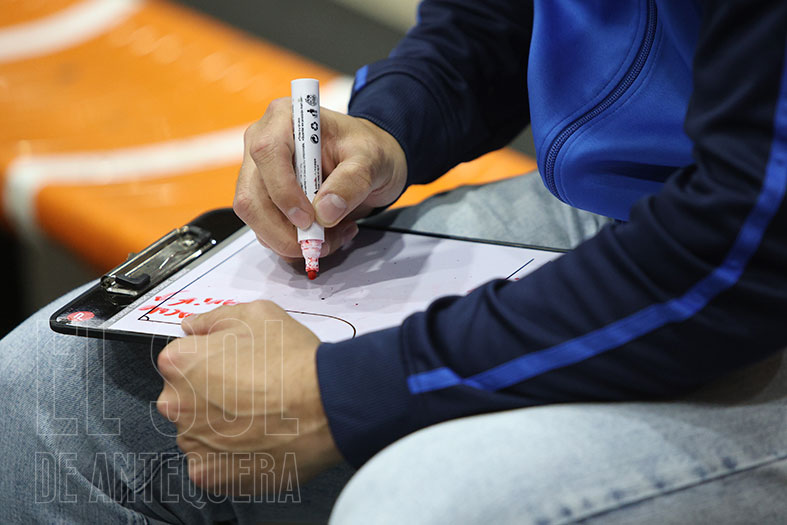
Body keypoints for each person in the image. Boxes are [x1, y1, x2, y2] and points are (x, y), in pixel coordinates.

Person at [2, 0, 786, 523]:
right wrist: (389, 124)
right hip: (633, 211)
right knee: (45, 388)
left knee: (420, 503)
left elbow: (746, 245)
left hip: (743, 255)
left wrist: (347, 390)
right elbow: (492, 19)